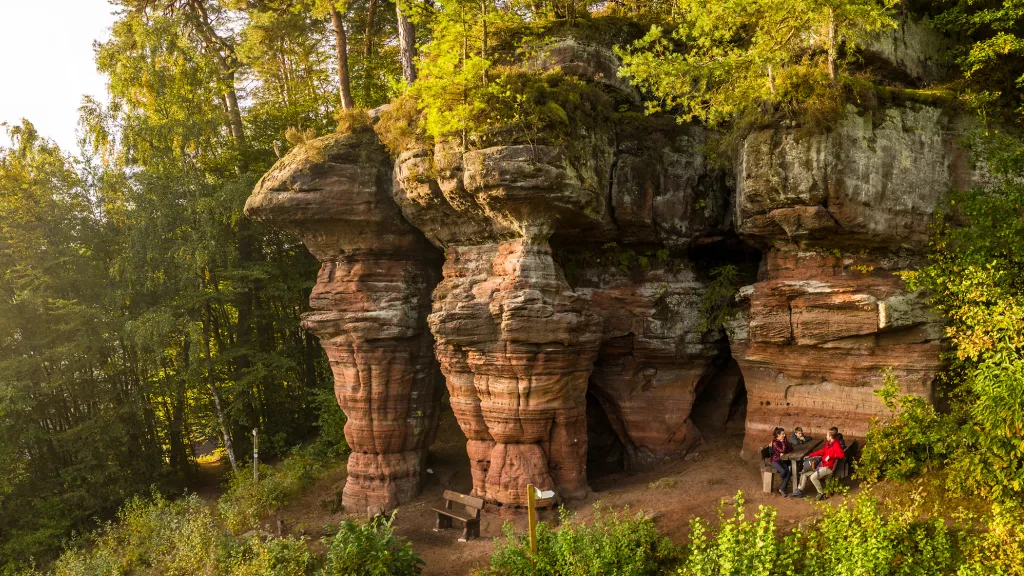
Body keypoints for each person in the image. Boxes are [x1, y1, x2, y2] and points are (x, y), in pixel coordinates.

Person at [791, 429, 845, 501]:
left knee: (813, 477)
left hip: (828, 468)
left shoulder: (836, 445)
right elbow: (822, 451)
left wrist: (831, 456)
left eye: (827, 435)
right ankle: (799, 491)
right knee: (804, 473)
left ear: (831, 436)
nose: (826, 436)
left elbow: (841, 455)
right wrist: (810, 455)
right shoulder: (829, 443)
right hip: (822, 465)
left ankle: (821, 493)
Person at [770, 427, 793, 497]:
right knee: (783, 472)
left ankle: (782, 489)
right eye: (783, 434)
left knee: (788, 473)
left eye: (784, 433)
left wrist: (785, 441)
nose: (784, 435)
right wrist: (783, 442)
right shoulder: (775, 442)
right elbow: (782, 450)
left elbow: (790, 449)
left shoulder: (783, 440)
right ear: (778, 435)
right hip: (775, 461)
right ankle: (784, 482)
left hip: (782, 460)